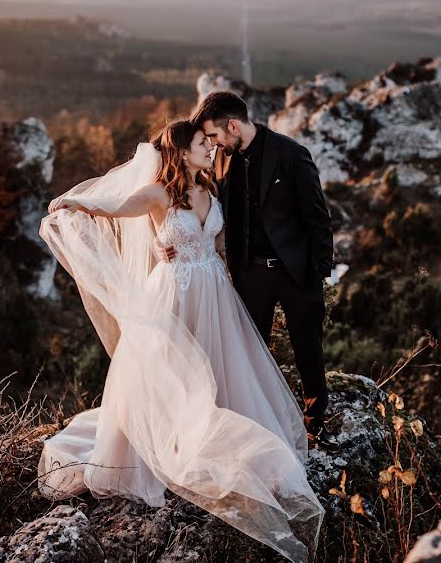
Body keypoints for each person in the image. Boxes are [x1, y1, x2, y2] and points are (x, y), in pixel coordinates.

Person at [38, 119, 323, 562]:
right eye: (201, 144)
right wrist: (71, 200)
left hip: (214, 293)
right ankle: (162, 447)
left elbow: (223, 242)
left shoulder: (210, 188)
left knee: (220, 371)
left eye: (210, 143)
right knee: (171, 376)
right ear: (180, 151)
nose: (210, 148)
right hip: (175, 295)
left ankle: (223, 441)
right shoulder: (157, 194)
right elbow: (112, 207)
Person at [159, 91, 339, 449]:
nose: (212, 145)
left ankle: (315, 422)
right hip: (249, 274)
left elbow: (318, 217)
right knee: (248, 350)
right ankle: (257, 423)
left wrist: (318, 272)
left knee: (308, 347)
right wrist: (171, 240)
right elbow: (202, 208)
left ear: (233, 125)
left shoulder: (290, 154)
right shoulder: (222, 164)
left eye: (214, 136)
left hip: (295, 272)